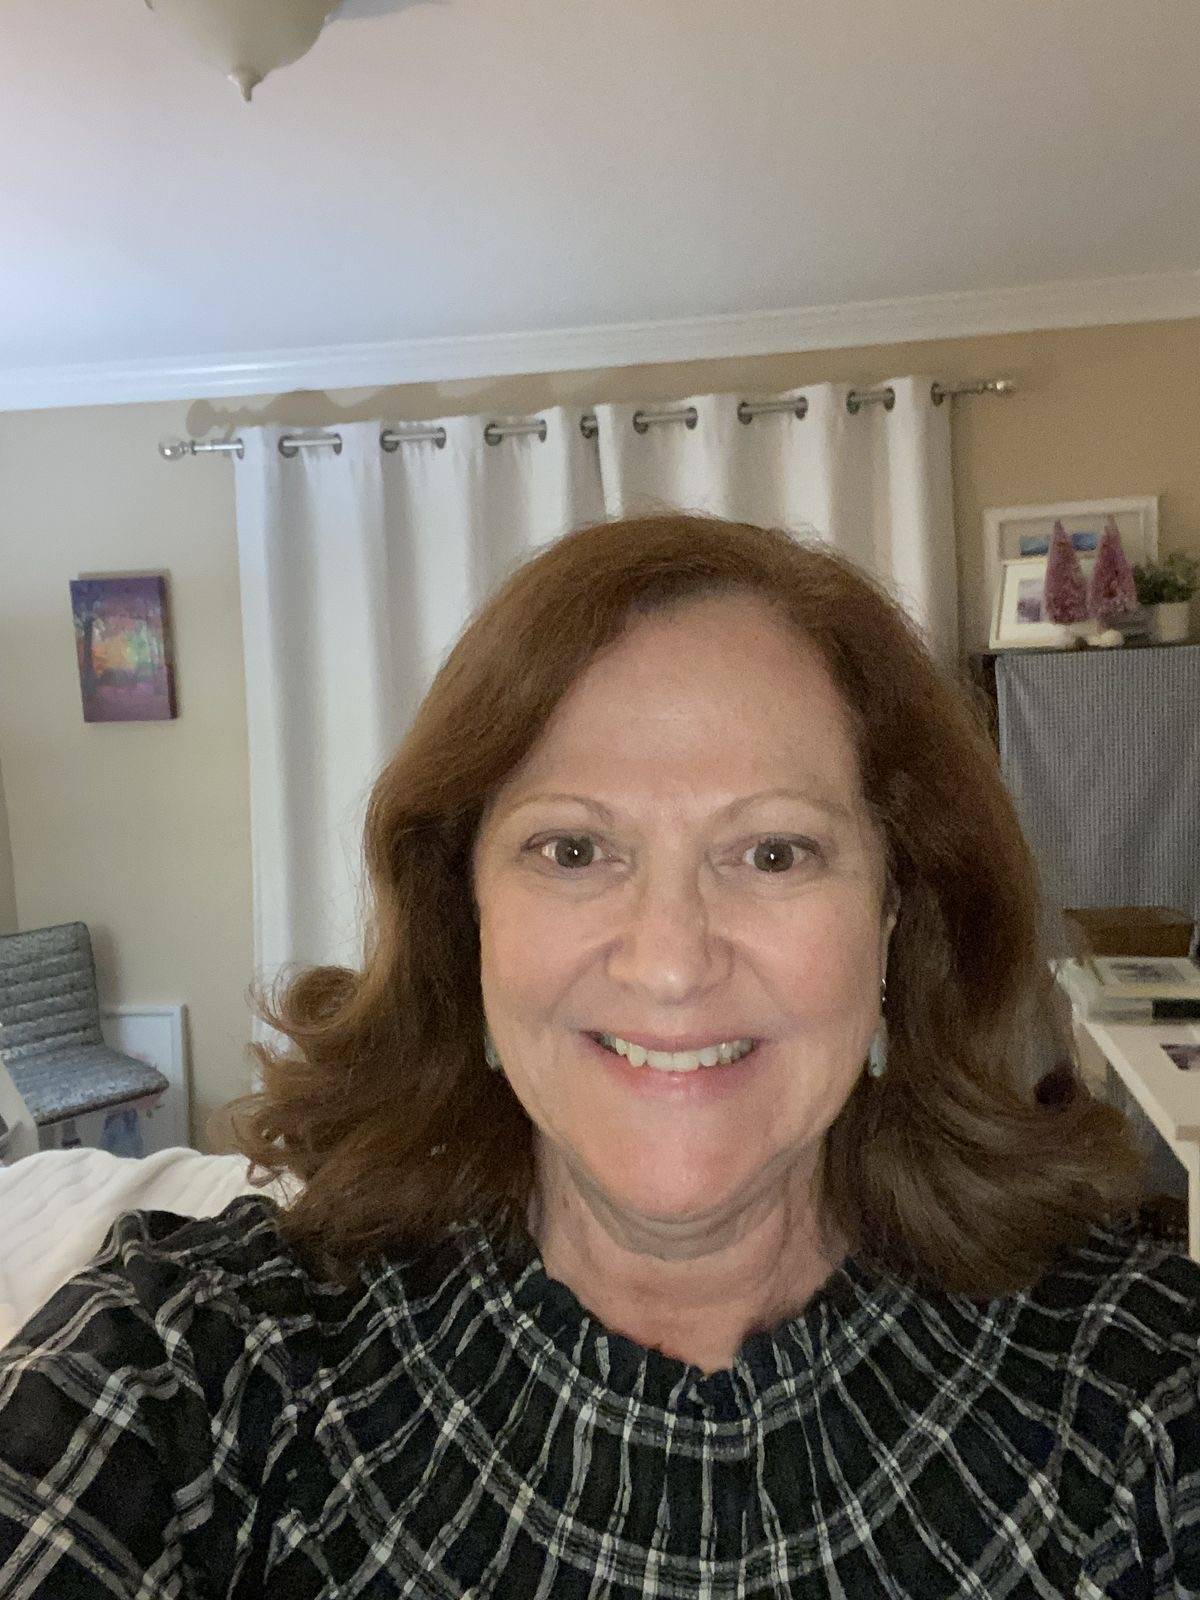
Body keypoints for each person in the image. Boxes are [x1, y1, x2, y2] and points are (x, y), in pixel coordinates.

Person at [0, 512, 1196, 1597]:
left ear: (894, 914)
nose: (669, 963)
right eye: (573, 850)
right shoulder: (195, 1372)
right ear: (464, 920)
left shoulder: (1139, 1391)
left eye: (773, 852)